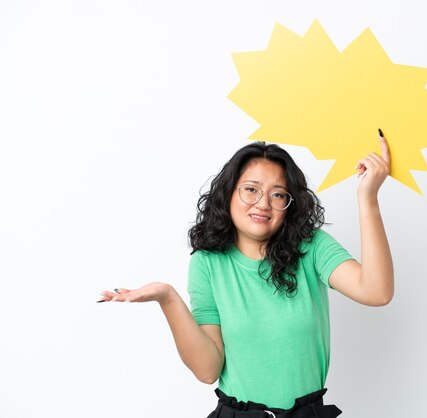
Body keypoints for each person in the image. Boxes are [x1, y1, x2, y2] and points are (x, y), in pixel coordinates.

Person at [98, 130, 394, 417]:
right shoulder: (207, 263)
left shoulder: (312, 247)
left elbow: (376, 291)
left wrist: (368, 197)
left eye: (278, 194)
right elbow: (207, 370)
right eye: (251, 189)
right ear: (229, 193)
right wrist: (168, 298)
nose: (263, 204)